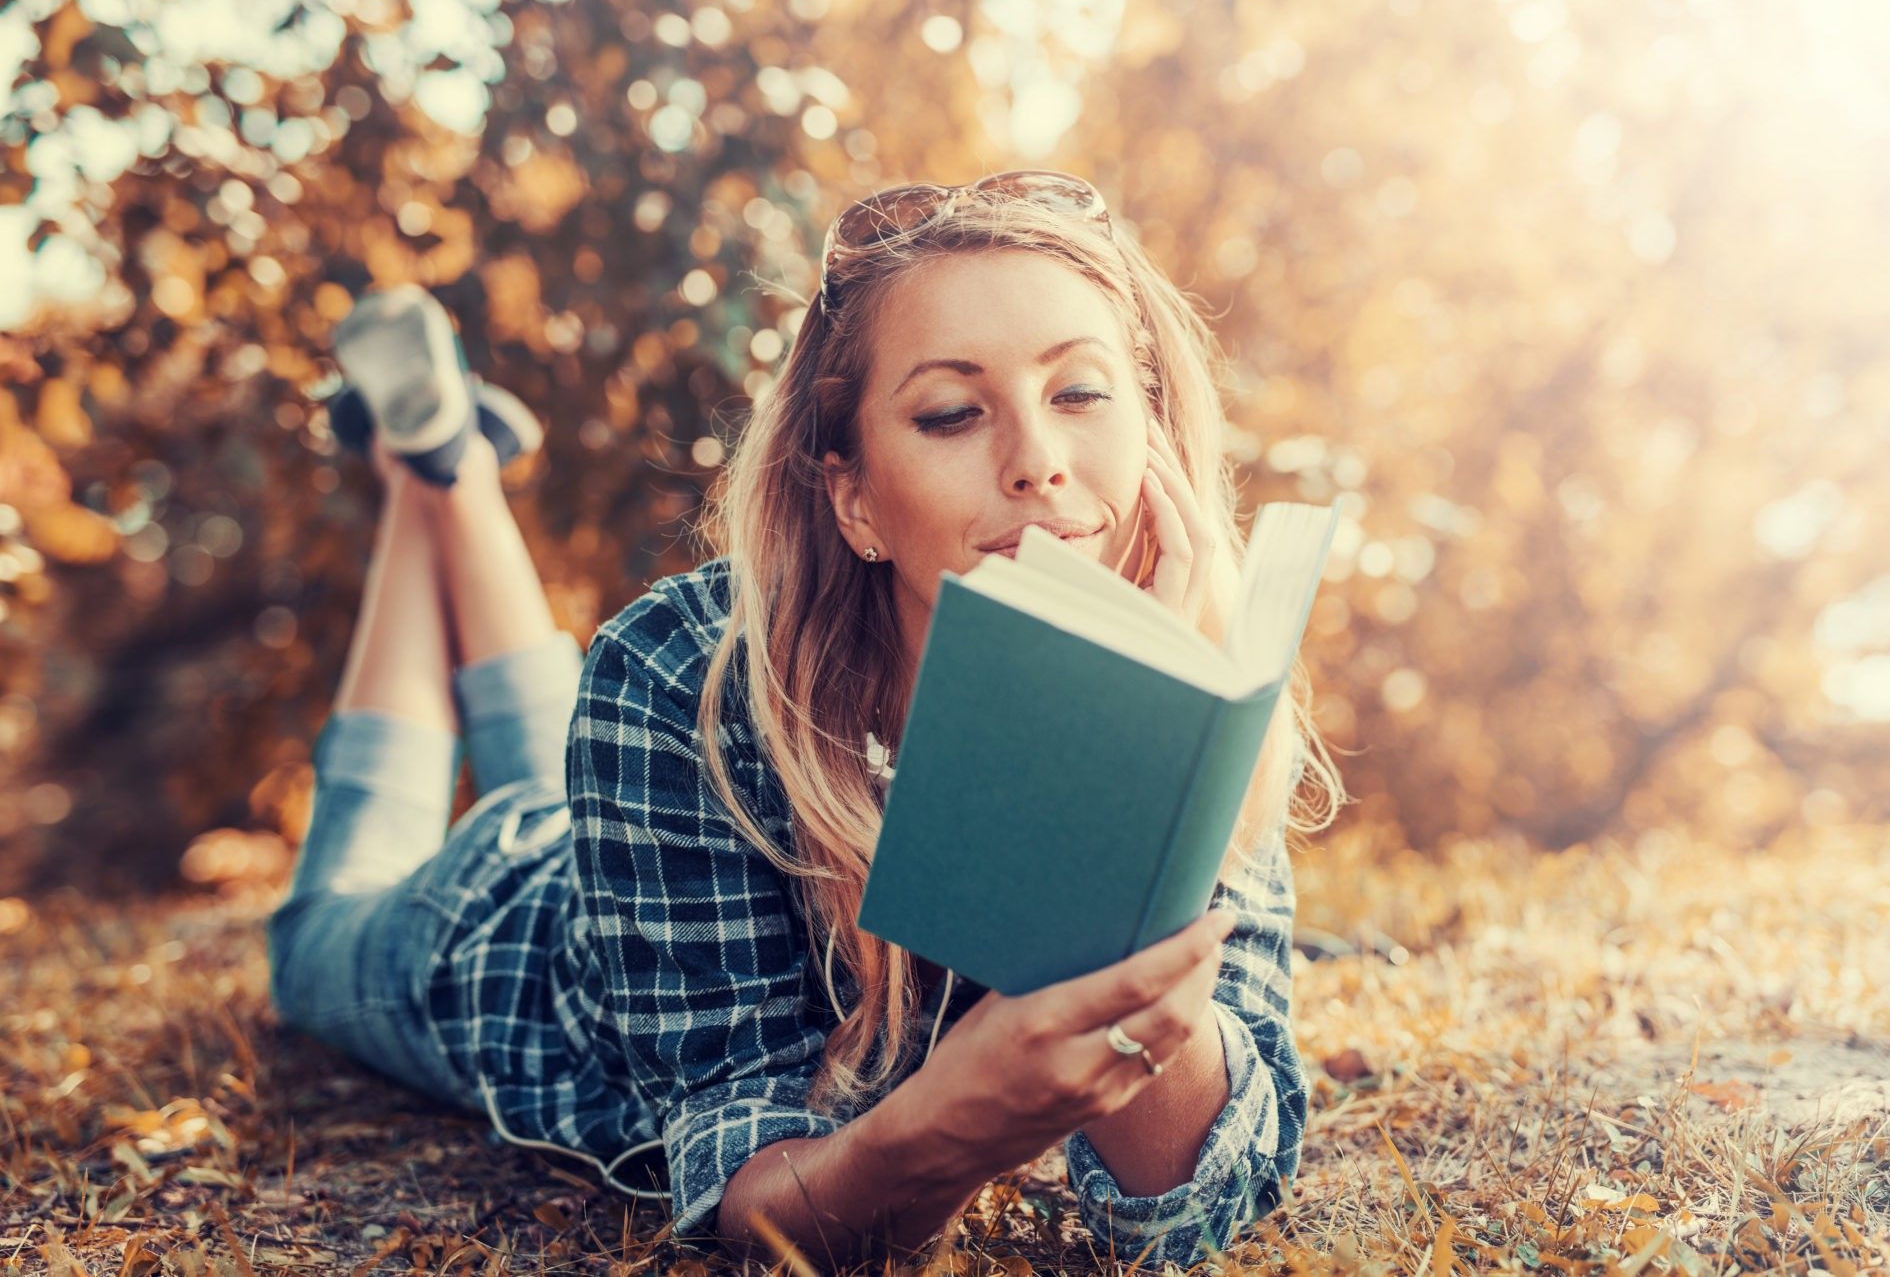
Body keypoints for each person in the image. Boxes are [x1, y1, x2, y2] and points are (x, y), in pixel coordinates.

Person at [267, 173, 1344, 1272]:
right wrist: (946, 1128)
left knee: (537, 762)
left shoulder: (1204, 690)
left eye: (1080, 393)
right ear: (854, 496)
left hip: (611, 820)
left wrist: (1129, 742)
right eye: (949, 413)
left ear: (1154, 432)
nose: (1037, 460)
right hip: (504, 941)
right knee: (309, 942)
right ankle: (432, 481)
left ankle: (446, 460)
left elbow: (1189, 1206)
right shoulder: (679, 668)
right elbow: (761, 1208)